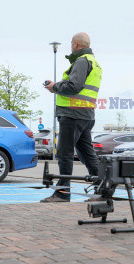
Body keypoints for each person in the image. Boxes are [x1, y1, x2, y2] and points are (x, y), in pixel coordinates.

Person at [41, 32, 102, 202]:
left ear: (75, 44)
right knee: (87, 154)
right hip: (85, 115)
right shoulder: (94, 62)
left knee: (64, 153)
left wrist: (55, 86)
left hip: (73, 114)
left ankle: (62, 192)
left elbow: (74, 86)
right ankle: (102, 190)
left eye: (71, 43)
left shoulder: (81, 61)